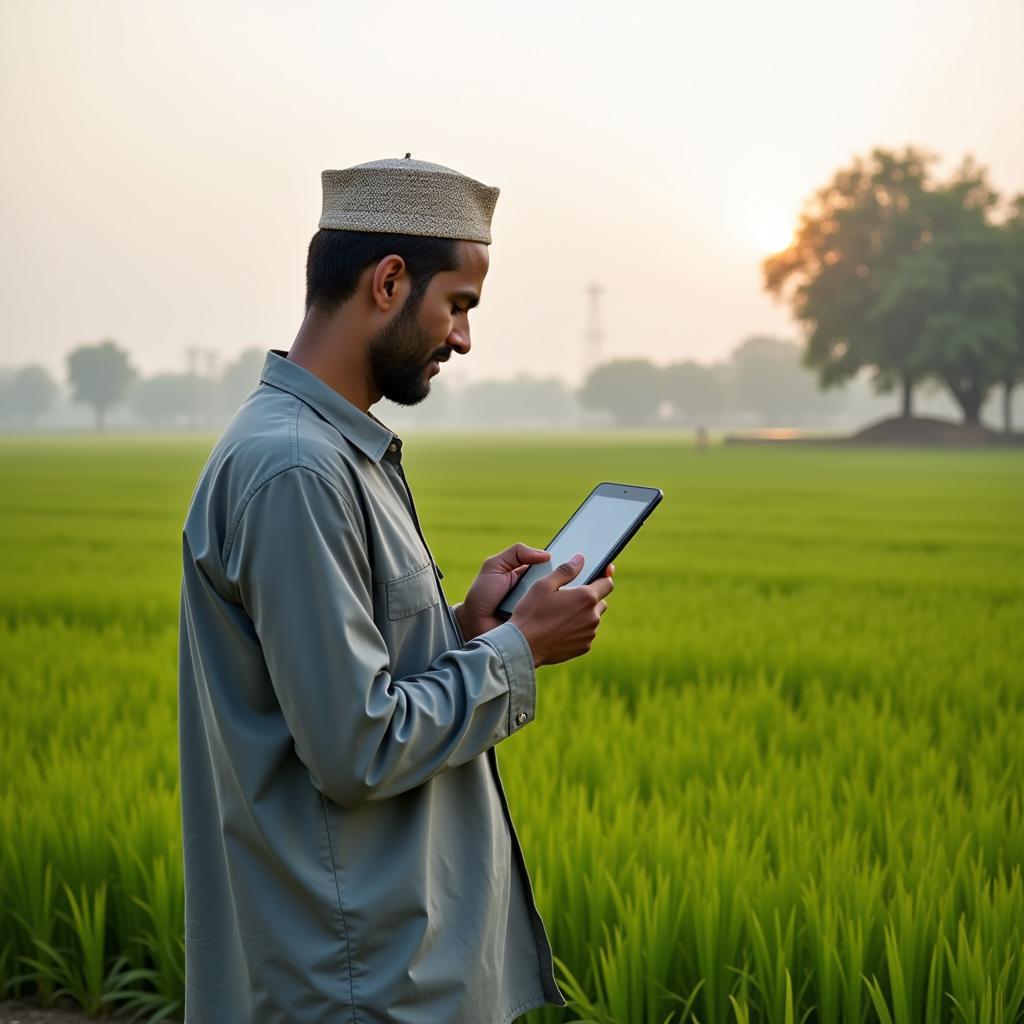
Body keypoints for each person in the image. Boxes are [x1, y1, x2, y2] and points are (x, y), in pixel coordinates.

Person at [178, 155, 616, 1024]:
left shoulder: (336, 448)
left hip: (377, 966)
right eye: (458, 305)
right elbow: (357, 746)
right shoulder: (299, 468)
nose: (462, 339)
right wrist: (519, 651)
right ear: (388, 282)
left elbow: (340, 680)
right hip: (355, 982)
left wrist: (465, 627)